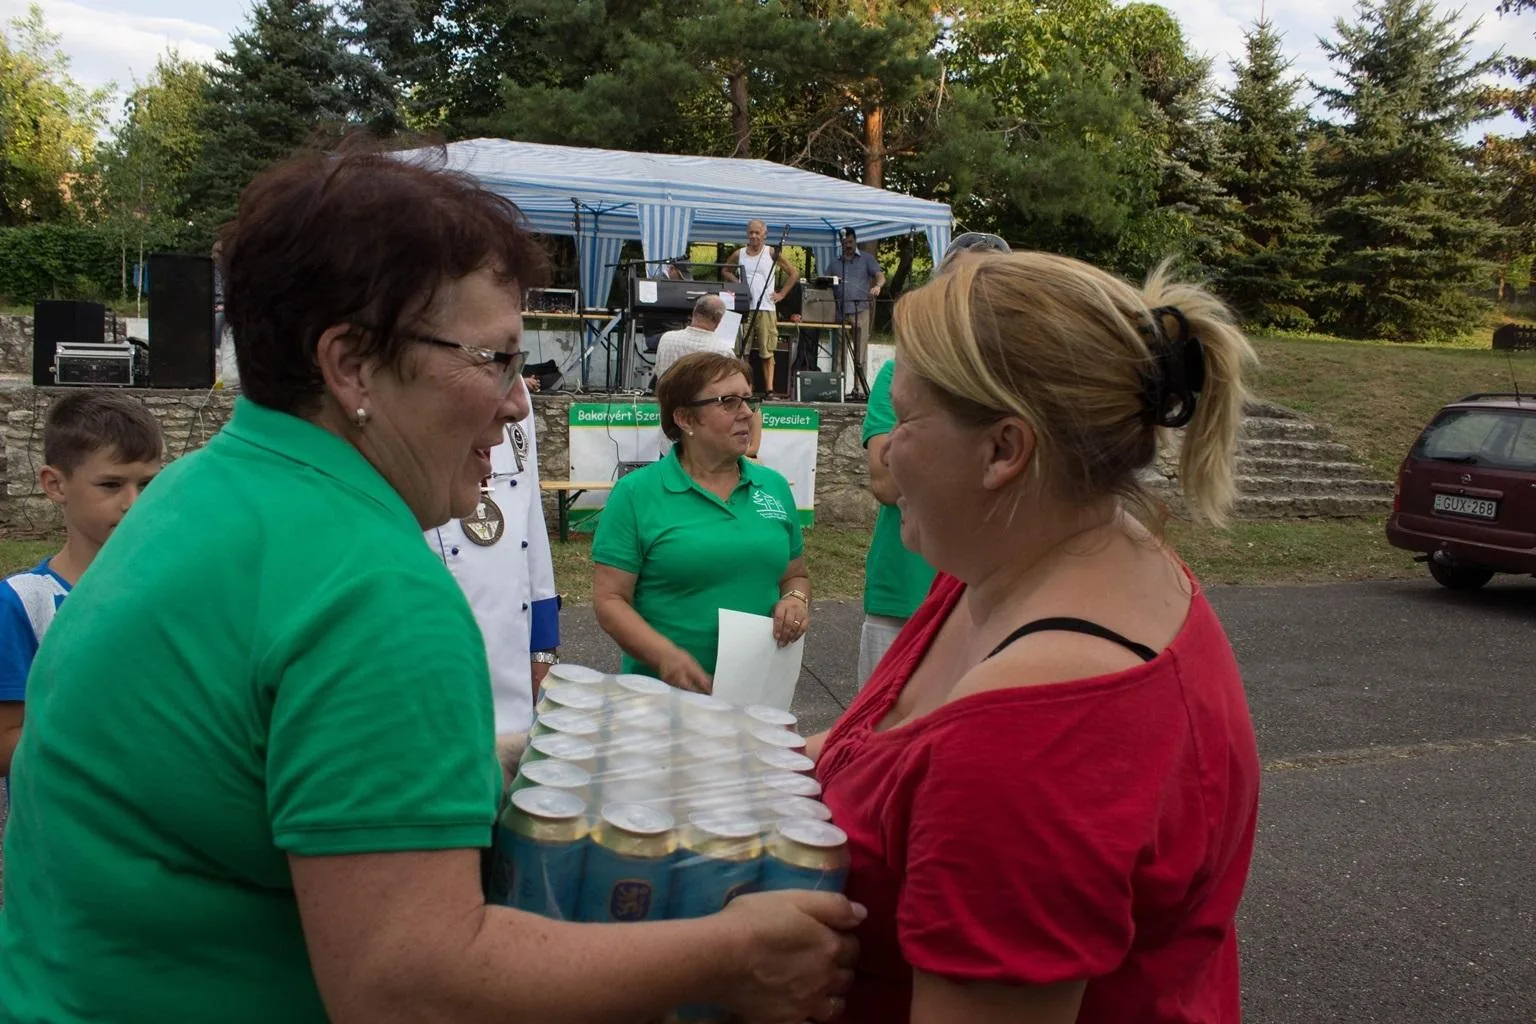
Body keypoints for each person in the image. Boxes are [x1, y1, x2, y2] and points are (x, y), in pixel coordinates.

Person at [0, 143, 859, 1024]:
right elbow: (410, 986)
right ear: (351, 366)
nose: (519, 401)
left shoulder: (197, 489)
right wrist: (736, 949)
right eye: (492, 360)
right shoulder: (373, 592)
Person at [810, 251, 1262, 1022]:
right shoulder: (1021, 564)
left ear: (1004, 452)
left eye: (907, 419)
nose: (884, 450)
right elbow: (875, 754)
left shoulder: (1025, 735)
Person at [592, 352, 809, 693]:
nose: (747, 413)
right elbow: (610, 601)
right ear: (685, 419)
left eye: (747, 400)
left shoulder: (775, 487)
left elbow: (794, 574)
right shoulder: (636, 494)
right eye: (728, 401)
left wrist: (796, 599)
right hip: (662, 699)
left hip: (758, 696)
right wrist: (664, 656)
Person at [854, 232, 1010, 685]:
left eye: (986, 287)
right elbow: (885, 483)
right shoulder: (899, 371)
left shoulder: (1022, 383)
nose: (968, 301)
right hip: (905, 593)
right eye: (957, 286)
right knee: (882, 741)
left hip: (994, 596)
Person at [0, 390, 163, 779]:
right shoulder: (23, 604)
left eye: (147, 484)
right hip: (62, 831)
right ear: (55, 484)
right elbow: (5, 743)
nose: (133, 502)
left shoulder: (173, 591)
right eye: (111, 485)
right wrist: (112, 744)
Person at [427, 383, 558, 784]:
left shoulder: (516, 393)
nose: (516, 405)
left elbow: (530, 524)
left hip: (515, 668)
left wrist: (543, 652)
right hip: (443, 671)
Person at [723, 219, 799, 397]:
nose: (754, 236)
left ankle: (769, 389)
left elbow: (794, 273)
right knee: (743, 351)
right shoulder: (739, 253)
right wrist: (739, 285)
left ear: (765, 234)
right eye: (751, 232)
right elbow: (725, 270)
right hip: (744, 307)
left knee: (767, 350)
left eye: (757, 233)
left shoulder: (771, 252)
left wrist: (781, 294)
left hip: (766, 307)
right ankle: (743, 388)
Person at [831, 228, 885, 399]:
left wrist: (878, 286)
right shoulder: (834, 262)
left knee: (860, 352)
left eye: (850, 242)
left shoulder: (867, 259)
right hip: (840, 311)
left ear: (855, 241)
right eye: (845, 243)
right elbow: (824, 283)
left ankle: (859, 391)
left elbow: (880, 276)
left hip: (860, 309)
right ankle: (837, 390)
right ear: (841, 243)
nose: (848, 246)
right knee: (839, 352)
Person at [654, 293, 734, 381]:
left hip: (666, 394)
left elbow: (658, 373)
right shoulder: (724, 352)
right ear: (719, 320)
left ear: (694, 312)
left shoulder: (666, 339)